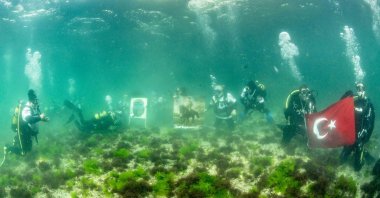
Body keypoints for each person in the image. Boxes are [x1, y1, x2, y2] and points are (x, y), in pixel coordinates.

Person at [340, 82, 375, 171]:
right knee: (342, 158)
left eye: (361, 89)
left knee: (357, 167)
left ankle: (364, 152)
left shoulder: (368, 104)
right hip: (351, 134)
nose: (360, 91)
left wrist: (363, 132)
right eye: (358, 89)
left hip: (361, 135)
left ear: (364, 90)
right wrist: (346, 95)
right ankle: (354, 150)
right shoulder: (352, 102)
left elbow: (370, 122)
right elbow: (341, 106)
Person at [5, 89, 49, 155]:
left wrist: (42, 119)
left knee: (28, 149)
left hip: (29, 133)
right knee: (22, 152)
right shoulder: (26, 108)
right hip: (24, 133)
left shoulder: (34, 107)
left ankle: (15, 144)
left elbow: (35, 117)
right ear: (31, 100)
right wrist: (40, 117)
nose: (37, 102)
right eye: (35, 100)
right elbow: (28, 119)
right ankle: (7, 148)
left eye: (37, 100)